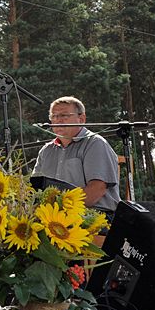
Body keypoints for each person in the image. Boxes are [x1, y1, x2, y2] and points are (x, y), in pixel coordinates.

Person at [33, 96, 121, 226]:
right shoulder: (46, 151)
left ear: (82, 119)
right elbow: (35, 190)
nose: (57, 120)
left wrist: (63, 209)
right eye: (54, 116)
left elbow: (96, 190)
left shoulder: (95, 144)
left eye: (64, 115)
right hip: (55, 221)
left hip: (94, 219)